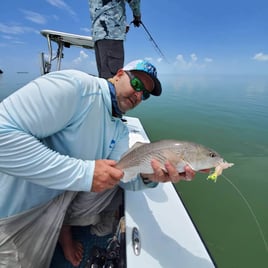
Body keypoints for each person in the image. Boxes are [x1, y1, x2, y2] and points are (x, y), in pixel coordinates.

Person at [0, 59, 195, 268]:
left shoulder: (119, 127)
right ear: (119, 74)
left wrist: (150, 176)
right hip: (19, 211)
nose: (138, 95)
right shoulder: (76, 87)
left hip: (62, 194)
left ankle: (63, 228)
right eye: (137, 84)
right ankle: (62, 232)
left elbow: (125, 177)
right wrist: (86, 174)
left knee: (113, 183)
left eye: (145, 95)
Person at [89, 0, 142, 79]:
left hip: (98, 35)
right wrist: (137, 16)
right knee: (113, 79)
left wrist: (121, 26)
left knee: (104, 77)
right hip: (111, 36)